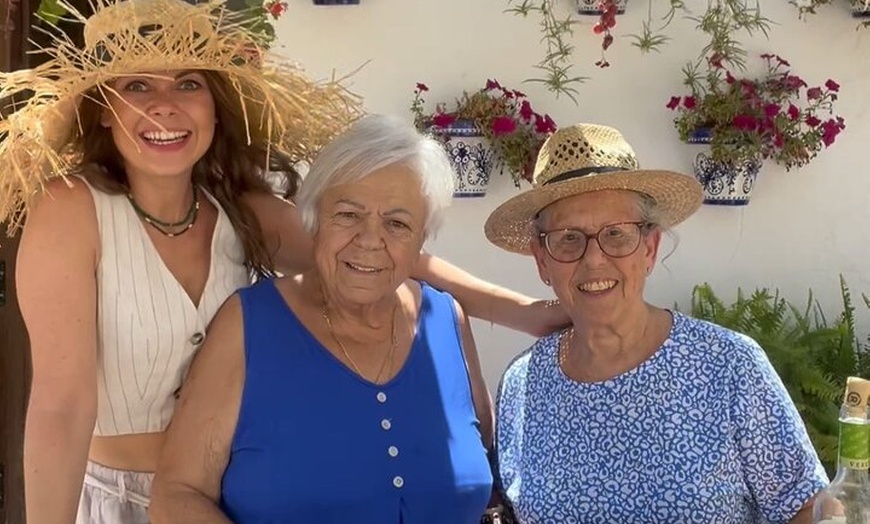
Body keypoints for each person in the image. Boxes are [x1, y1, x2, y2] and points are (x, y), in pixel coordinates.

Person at [0, 2, 565, 523]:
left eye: (188, 83)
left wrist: (525, 313)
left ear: (215, 109)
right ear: (102, 110)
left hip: (228, 497)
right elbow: (62, 407)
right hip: (122, 499)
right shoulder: (71, 212)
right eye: (137, 85)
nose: (163, 105)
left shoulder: (242, 211)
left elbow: (386, 257)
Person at [148, 114, 496, 524]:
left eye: (397, 223)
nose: (370, 240)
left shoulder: (447, 322)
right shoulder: (249, 324)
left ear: (422, 239)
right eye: (348, 215)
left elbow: (484, 473)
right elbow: (177, 495)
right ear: (314, 219)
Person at [484, 123, 829, 524]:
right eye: (568, 238)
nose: (594, 260)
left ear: (649, 248)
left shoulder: (728, 366)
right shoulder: (524, 382)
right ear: (542, 260)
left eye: (616, 234)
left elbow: (809, 508)